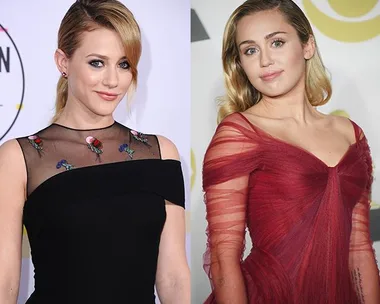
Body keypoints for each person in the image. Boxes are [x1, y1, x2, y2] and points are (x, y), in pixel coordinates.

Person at [0, 0, 190, 303]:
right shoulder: (19, 158)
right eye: (97, 63)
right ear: (63, 62)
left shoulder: (161, 153)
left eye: (124, 64)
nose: (113, 80)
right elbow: (5, 282)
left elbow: (173, 278)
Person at [202, 0, 380, 303]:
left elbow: (359, 248)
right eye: (250, 50)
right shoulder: (239, 133)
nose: (265, 60)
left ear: (307, 45)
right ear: (241, 63)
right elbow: (223, 258)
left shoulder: (350, 133)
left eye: (277, 42)